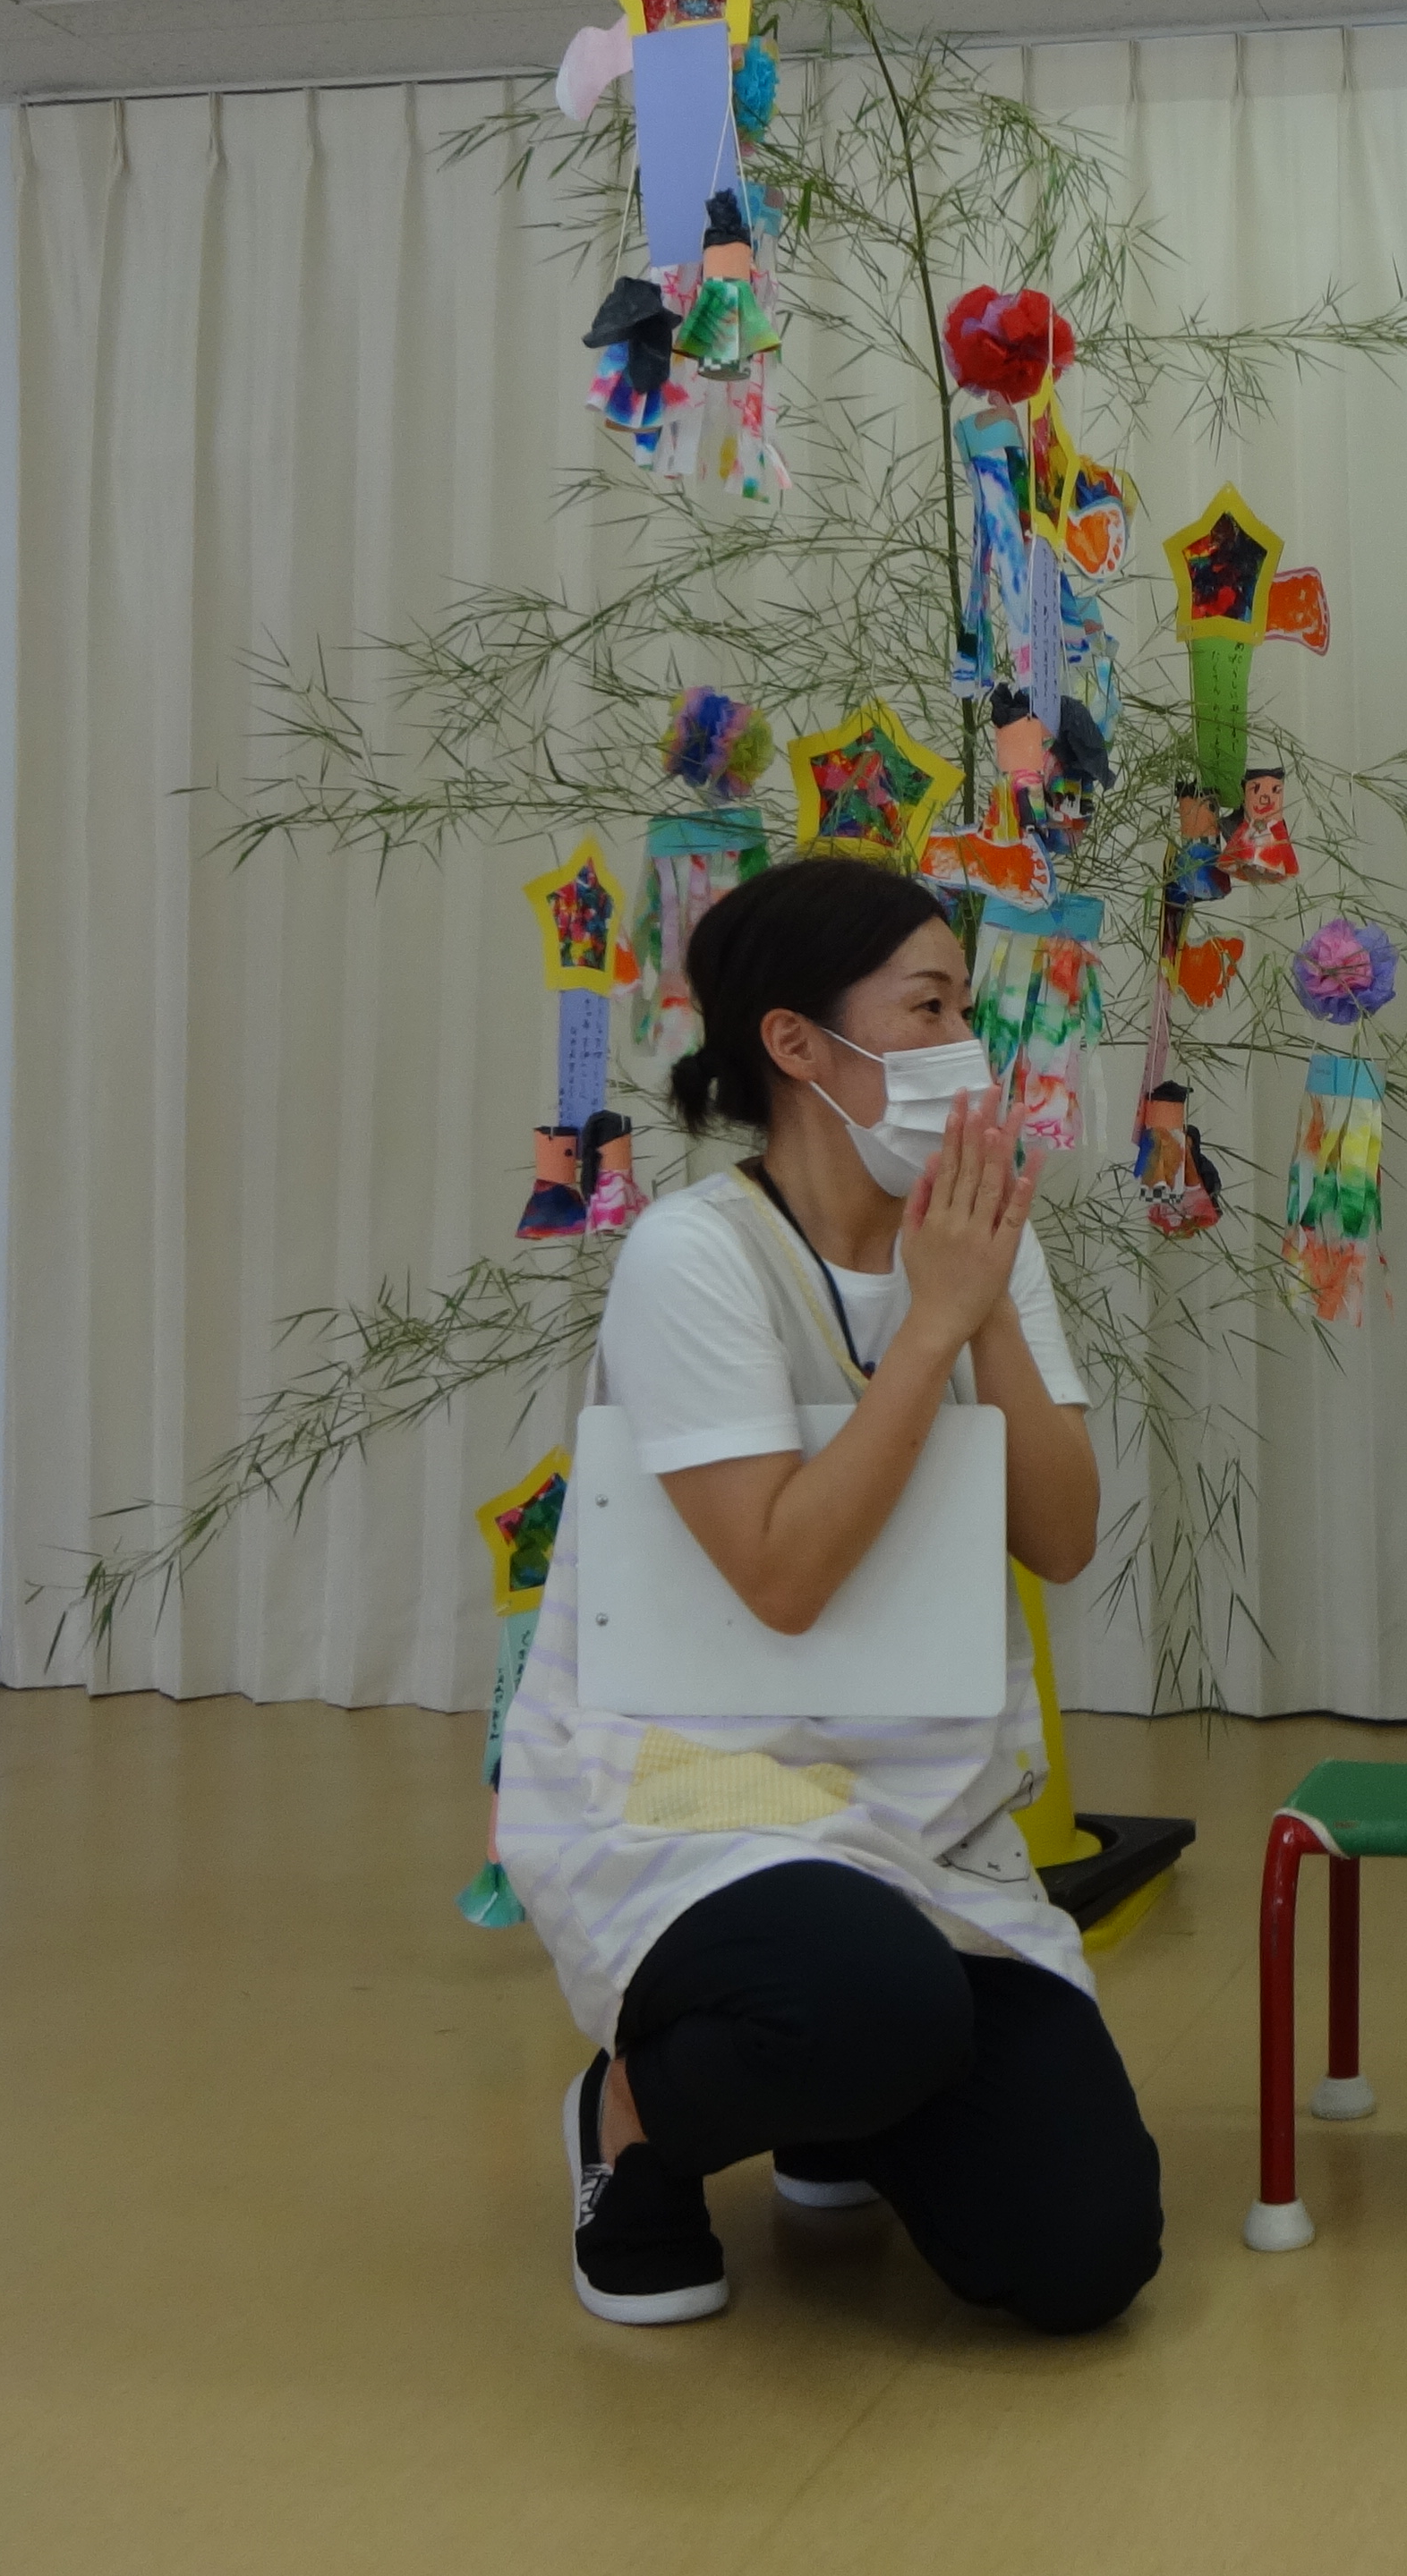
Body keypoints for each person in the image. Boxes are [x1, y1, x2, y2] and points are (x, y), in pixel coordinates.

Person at [493, 857, 1163, 2334]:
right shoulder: (693, 1257)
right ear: (796, 1045)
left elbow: (1060, 1537)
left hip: (922, 1809)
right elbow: (783, 1577)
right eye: (925, 1008)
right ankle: (631, 2126)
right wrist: (931, 1328)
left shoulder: (985, 1237)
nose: (962, 1051)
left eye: (963, 1010)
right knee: (869, 2003)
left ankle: (839, 2101)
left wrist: (978, 1307)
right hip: (701, 1791)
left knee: (1081, 2258)